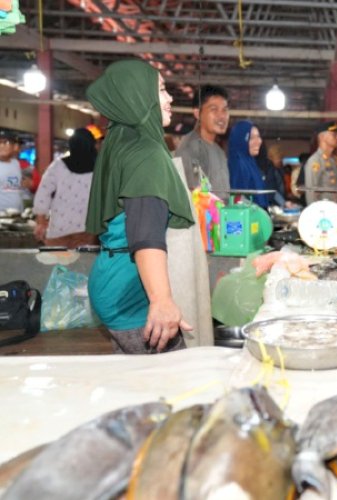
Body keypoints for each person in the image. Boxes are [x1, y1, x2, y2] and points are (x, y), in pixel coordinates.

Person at [85, 59, 196, 354]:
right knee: (168, 377)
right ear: (137, 95)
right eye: (160, 89)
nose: (170, 98)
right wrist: (161, 300)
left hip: (113, 279)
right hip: (131, 295)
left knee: (135, 377)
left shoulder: (120, 139)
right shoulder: (146, 153)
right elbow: (145, 232)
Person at [32, 128, 99, 247]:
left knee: (56, 258)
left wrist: (41, 221)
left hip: (59, 227)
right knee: (83, 259)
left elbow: (43, 193)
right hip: (87, 229)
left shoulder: (58, 165)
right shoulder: (100, 168)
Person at [174, 84, 230, 193]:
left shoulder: (219, 150)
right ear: (197, 113)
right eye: (214, 109)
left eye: (225, 110)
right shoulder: (191, 148)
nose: (222, 116)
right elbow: (196, 195)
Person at [227, 120, 269, 209]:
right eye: (252, 137)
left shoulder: (249, 161)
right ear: (241, 140)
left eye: (258, 136)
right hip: (248, 215)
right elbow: (239, 200)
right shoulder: (238, 163)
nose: (259, 141)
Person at [303, 121, 337, 205]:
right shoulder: (315, 161)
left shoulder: (333, 160)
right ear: (322, 137)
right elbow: (311, 192)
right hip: (323, 210)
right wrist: (315, 211)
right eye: (334, 134)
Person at [256, 143, 288, 207]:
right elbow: (272, 190)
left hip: (277, 202)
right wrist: (283, 203)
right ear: (272, 157)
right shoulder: (270, 170)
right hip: (273, 203)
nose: (281, 160)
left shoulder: (277, 169)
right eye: (279, 158)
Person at [0, 129, 24, 213]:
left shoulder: (15, 163)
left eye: (6, 142)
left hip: (17, 213)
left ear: (14, 146)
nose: (2, 146)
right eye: (0, 142)